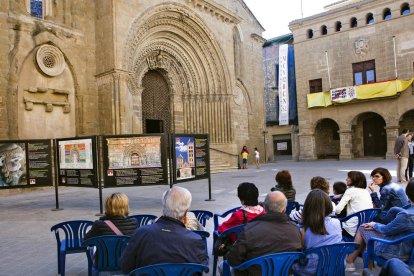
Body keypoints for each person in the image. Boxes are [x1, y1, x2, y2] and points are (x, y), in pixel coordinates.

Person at [120, 186, 208, 273]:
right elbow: (201, 270)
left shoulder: (141, 233)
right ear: (186, 212)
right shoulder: (195, 240)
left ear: (164, 206)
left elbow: (126, 266)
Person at [345, 179, 414, 273]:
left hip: (397, 252)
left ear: (408, 193)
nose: (374, 178)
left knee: (363, 228)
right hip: (406, 247)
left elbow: (386, 230)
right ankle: (363, 266)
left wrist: (374, 225)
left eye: (377, 176)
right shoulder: (406, 212)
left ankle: (351, 262)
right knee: (369, 228)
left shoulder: (406, 215)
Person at [226, 191, 302, 275]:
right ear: (284, 209)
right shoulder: (295, 230)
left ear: (264, 207)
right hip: (284, 273)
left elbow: (233, 260)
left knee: (223, 266)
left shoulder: (250, 229)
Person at [292, 189, 342, 275]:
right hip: (335, 266)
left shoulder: (301, 230)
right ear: (328, 205)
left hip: (311, 271)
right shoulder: (337, 223)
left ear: (307, 207)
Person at [335, 171, 373, 238]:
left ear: (354, 179)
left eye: (348, 177)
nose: (346, 179)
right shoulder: (365, 191)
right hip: (364, 226)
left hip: (351, 229)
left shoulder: (350, 191)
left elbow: (338, 210)